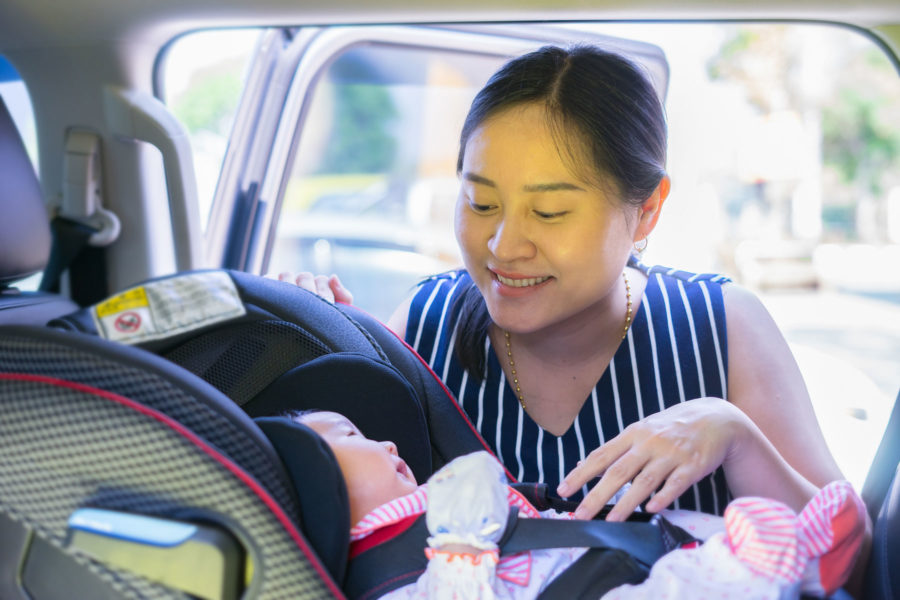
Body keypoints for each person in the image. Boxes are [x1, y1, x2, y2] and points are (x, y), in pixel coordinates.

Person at [275, 44, 870, 583]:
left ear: (646, 212)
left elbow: (852, 554)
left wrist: (736, 438)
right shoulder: (425, 324)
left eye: (551, 212)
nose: (504, 246)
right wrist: (313, 335)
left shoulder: (721, 326)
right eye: (481, 201)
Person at [289, 410, 865, 600]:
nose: (385, 442)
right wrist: (460, 557)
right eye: (347, 435)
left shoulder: (428, 502)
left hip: (584, 552)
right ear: (310, 483)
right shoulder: (381, 575)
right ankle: (759, 565)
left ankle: (800, 553)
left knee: (676, 528)